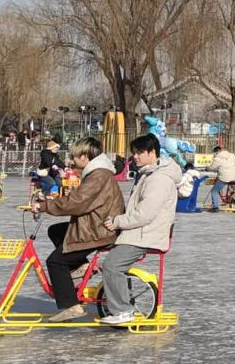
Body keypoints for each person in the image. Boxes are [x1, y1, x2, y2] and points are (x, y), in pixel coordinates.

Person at [29, 137, 125, 322]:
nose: (72, 161)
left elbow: (77, 202)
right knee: (56, 231)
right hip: (94, 224)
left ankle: (72, 307)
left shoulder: (99, 175)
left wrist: (45, 206)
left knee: (55, 262)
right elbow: (80, 199)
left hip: (99, 230)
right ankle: (81, 264)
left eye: (74, 157)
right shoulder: (97, 172)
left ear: (85, 156)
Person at [100, 133, 178, 326]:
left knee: (112, 265)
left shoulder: (158, 179)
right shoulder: (149, 173)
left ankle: (124, 310)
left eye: (140, 152)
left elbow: (144, 213)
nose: (135, 156)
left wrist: (118, 222)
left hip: (145, 235)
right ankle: (120, 303)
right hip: (141, 232)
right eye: (134, 152)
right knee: (110, 259)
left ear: (153, 153)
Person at [208, 145, 235, 212]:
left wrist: (207, 168)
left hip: (224, 177)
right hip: (234, 176)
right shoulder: (231, 155)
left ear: (216, 152)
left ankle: (215, 207)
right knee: (234, 190)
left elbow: (212, 167)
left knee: (214, 191)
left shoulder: (217, 158)